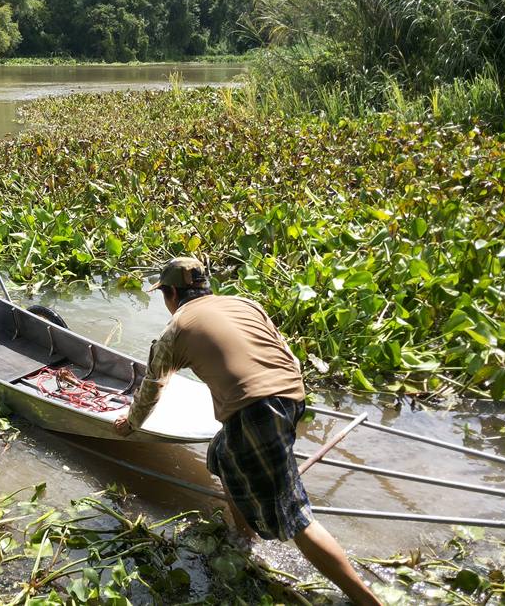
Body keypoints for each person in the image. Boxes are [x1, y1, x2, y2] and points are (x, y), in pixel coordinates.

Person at [113, 257, 381, 606]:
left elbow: (153, 386)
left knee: (293, 515)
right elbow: (286, 357)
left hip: (256, 411)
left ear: (173, 293)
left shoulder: (176, 328)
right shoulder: (244, 304)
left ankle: (366, 600)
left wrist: (130, 424)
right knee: (222, 454)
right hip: (291, 396)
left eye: (164, 294)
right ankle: (244, 537)